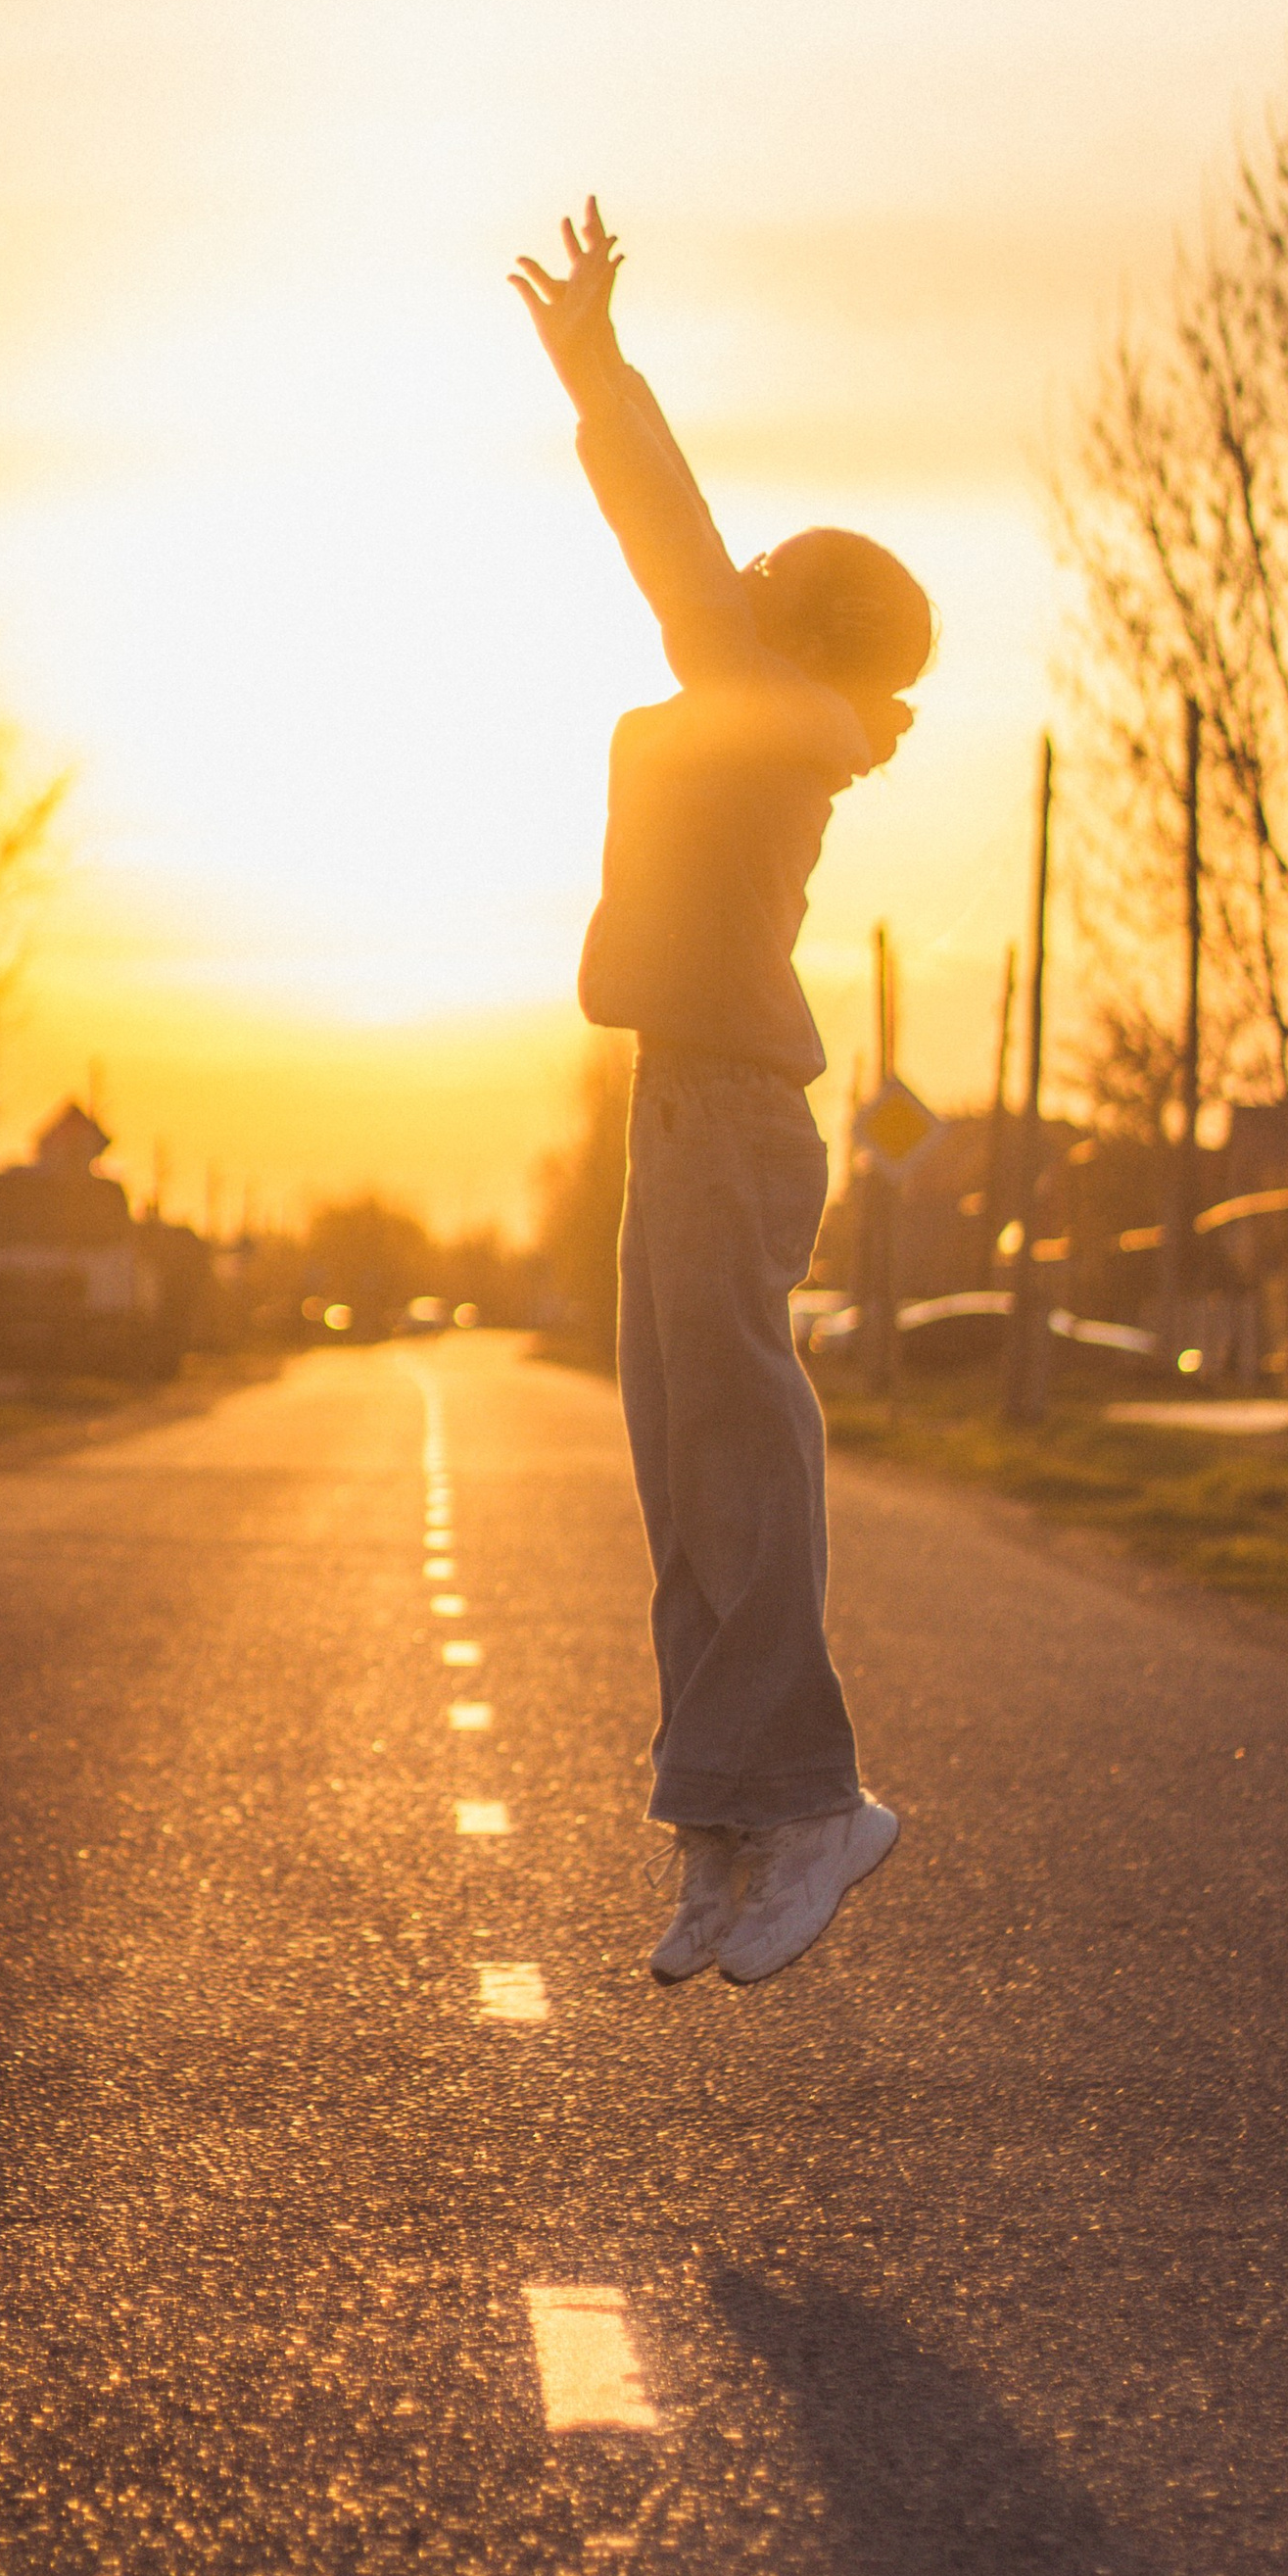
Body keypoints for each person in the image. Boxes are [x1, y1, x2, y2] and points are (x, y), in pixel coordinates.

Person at [511, 199, 933, 1989]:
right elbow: (693, 557)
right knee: (682, 1477)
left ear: (808, 619)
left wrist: (601, 375)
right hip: (681, 1103)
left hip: (732, 1111)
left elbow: (672, 542)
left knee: (742, 1454)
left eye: (773, 574)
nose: (739, 576)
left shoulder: (775, 705)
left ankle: (813, 1800)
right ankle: (724, 1821)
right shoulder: (769, 700)